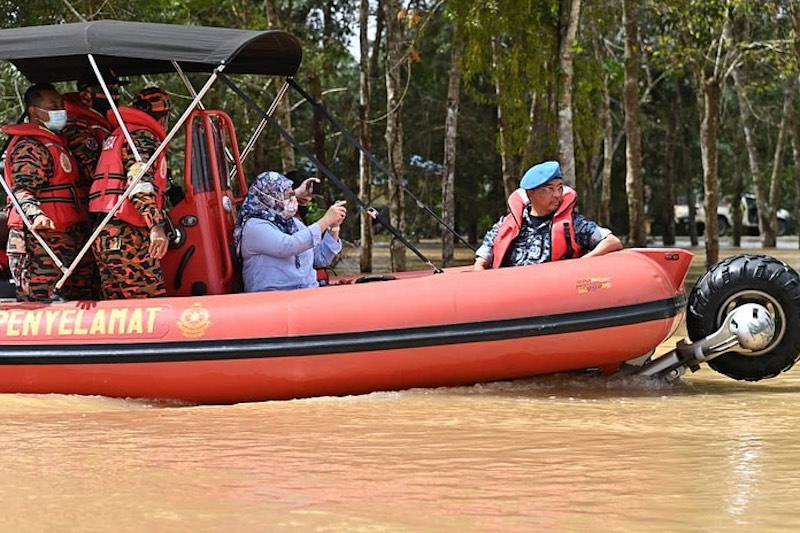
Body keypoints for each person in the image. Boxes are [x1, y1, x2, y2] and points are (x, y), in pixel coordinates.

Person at [2, 83, 93, 301]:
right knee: (40, 301)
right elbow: (22, 190)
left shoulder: (58, 143)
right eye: (53, 106)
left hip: (65, 236)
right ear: (34, 111)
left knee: (74, 298)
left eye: (61, 105)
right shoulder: (30, 145)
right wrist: (36, 215)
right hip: (39, 241)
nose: (60, 110)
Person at [89, 87, 170, 299]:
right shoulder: (143, 136)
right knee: (148, 304)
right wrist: (156, 226)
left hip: (105, 233)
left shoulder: (118, 134)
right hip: (128, 234)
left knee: (117, 308)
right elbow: (139, 183)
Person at [474, 160, 622, 270]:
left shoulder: (573, 224)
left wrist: (582, 262)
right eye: (549, 189)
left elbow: (611, 241)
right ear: (530, 193)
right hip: (511, 294)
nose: (557, 195)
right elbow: (481, 261)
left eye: (559, 188)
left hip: (555, 294)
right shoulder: (505, 225)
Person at [62, 67, 128, 299]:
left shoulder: (104, 124)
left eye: (116, 89)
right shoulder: (78, 126)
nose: (115, 95)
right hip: (85, 214)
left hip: (104, 213)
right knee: (84, 283)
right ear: (86, 95)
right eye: (108, 90)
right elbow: (92, 170)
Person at [233, 171, 345, 292]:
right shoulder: (254, 226)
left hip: (306, 294)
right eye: (287, 196)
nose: (291, 200)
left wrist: (333, 227)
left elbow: (320, 257)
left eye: (292, 195)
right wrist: (325, 221)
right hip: (273, 298)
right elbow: (289, 245)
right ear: (271, 198)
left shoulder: (290, 222)